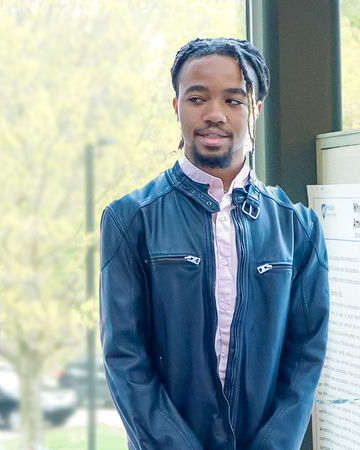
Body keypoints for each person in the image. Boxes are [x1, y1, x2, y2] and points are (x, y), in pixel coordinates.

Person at [99, 37, 329, 449]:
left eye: (233, 101)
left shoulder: (299, 227)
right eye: (197, 98)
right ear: (176, 107)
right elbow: (125, 358)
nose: (214, 115)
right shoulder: (130, 219)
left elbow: (304, 358)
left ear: (255, 110)